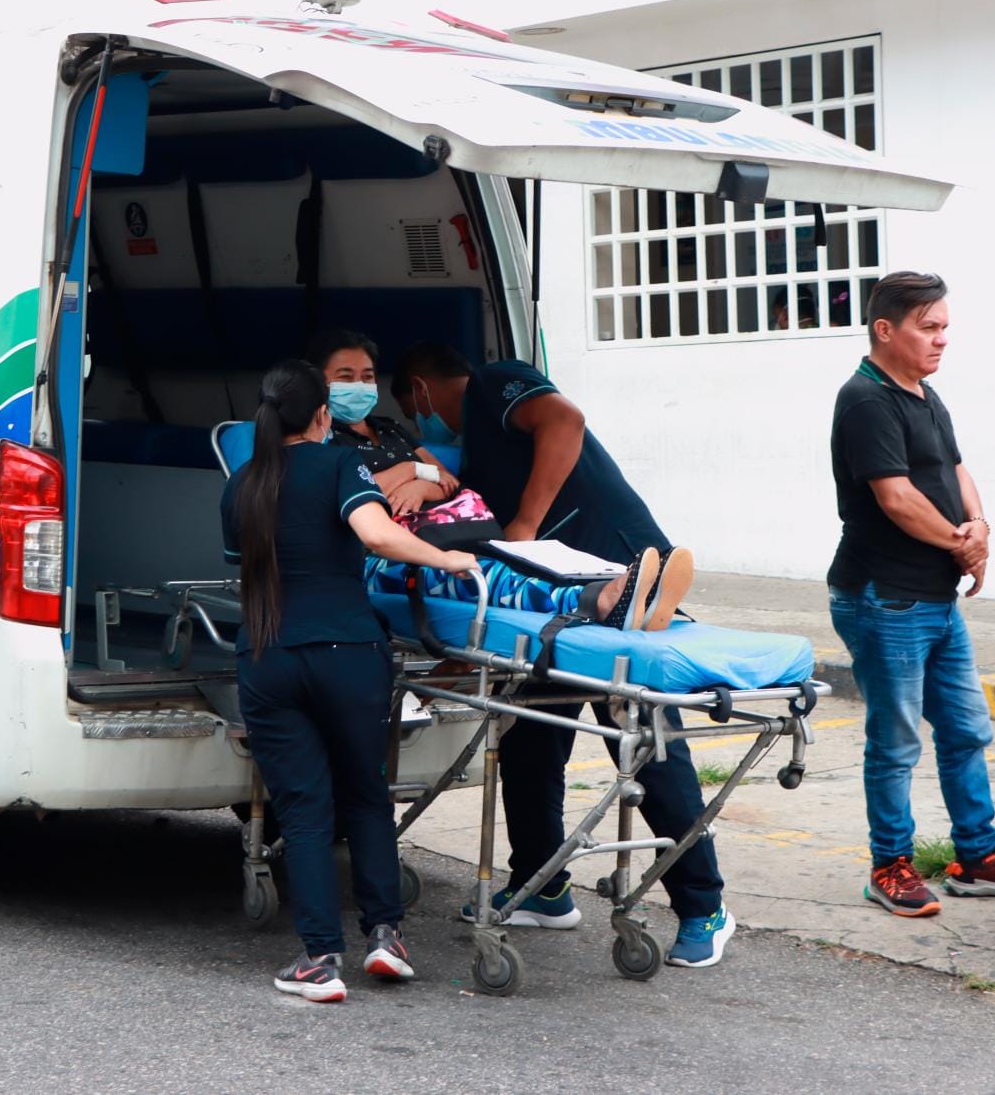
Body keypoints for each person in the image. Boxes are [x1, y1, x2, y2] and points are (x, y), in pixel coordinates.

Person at [389, 342, 732, 968]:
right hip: (553, 608)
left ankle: (703, 904)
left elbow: (564, 421)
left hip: (616, 566)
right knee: (529, 741)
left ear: (420, 389)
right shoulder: (473, 451)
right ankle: (542, 886)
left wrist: (525, 525)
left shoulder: (495, 383)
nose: (424, 424)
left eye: (417, 413)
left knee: (644, 743)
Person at [219, 359, 480, 1002]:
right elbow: (377, 535)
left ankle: (319, 960)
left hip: (270, 658)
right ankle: (385, 937)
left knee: (304, 811)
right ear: (321, 415)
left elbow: (244, 569)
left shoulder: (241, 484)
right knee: (364, 795)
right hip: (348, 654)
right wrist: (447, 557)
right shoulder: (340, 464)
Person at [825, 270, 995, 916]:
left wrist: (980, 528)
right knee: (895, 742)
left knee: (966, 729)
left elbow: (955, 469)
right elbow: (896, 497)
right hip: (884, 597)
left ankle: (976, 856)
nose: (942, 339)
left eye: (945, 327)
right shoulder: (866, 400)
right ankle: (889, 864)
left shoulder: (922, 393)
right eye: (928, 327)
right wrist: (960, 543)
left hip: (935, 598)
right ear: (885, 330)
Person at [311, 329, 460, 515]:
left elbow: (449, 482)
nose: (359, 385)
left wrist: (421, 489)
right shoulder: (318, 436)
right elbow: (342, 497)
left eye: (367, 377)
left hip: (442, 525)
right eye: (345, 377)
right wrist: (410, 469)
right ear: (317, 382)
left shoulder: (390, 427)